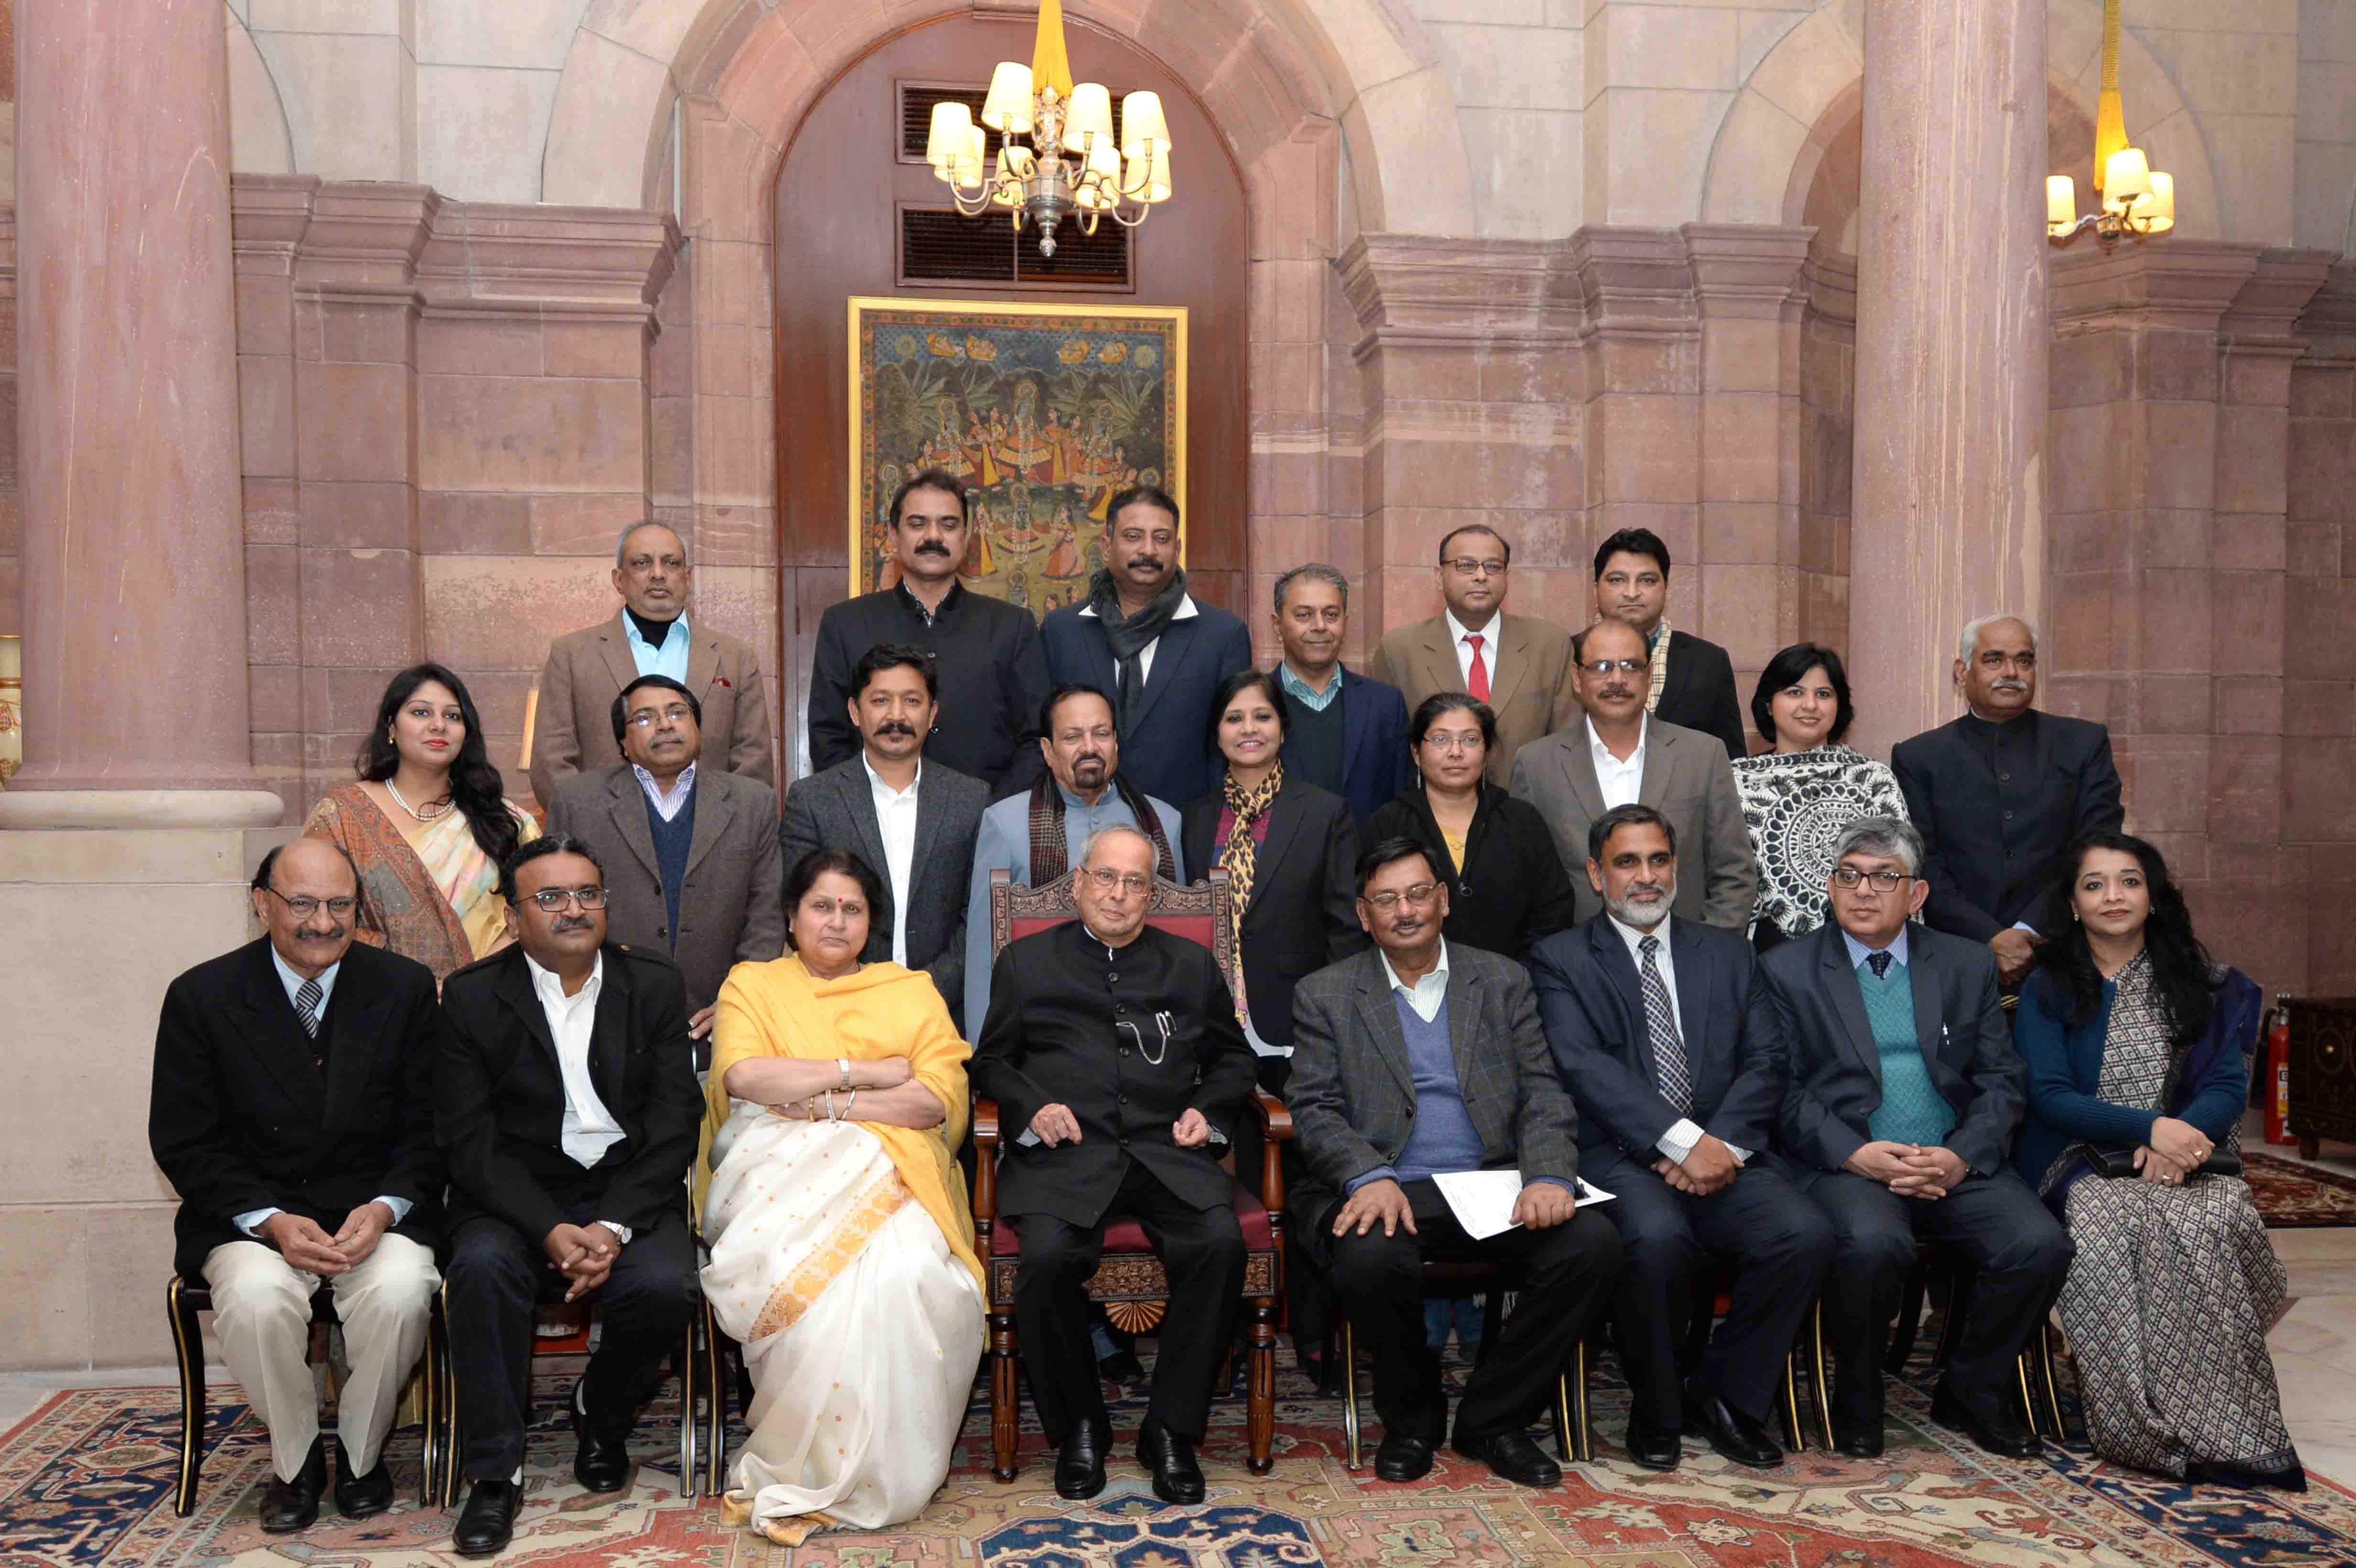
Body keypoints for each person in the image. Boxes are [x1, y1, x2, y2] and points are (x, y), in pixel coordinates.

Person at [1286, 838, 1623, 1487]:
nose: (1405, 911)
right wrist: (1368, 1176)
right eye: (1386, 900)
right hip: (1390, 1184)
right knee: (1368, 1257)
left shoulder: (1501, 980)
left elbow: (1543, 1090)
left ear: (1442, 901)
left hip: (1492, 1184)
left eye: (1417, 894)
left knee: (1594, 1246)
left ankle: (1493, 1419)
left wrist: (1549, 1174)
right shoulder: (1325, 994)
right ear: (1363, 914)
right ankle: (1412, 1421)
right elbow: (1315, 1107)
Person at [1756, 815, 2072, 1460]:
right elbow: (1780, 1090)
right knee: (1874, 1245)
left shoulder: (1962, 964)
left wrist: (1960, 1156)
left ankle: (1972, 1390)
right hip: (1850, 1160)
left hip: (1950, 1156)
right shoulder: (1786, 969)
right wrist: (1856, 1153)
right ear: (1830, 884)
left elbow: (2002, 1080)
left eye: (1883, 877)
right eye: (1850, 876)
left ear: (1917, 895)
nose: (1864, 891)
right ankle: (1860, 1393)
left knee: (2038, 1245)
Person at [1527, 806, 1833, 1471]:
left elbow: (1768, 1060)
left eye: (1658, 860)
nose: (1645, 877)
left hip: (1728, 1150)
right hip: (1624, 1156)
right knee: (1658, 1240)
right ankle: (1657, 1407)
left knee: (1802, 1232)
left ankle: (1725, 1398)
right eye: (1627, 862)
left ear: (1676, 867)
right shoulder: (1560, 959)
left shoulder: (1728, 951)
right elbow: (1583, 1066)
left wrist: (1716, 1146)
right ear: (1596, 873)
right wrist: (1677, 1142)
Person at [148, 839, 442, 1532]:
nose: (322, 922)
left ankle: (363, 1457)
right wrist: (270, 1219)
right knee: (254, 1301)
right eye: (302, 904)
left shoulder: (402, 988)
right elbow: (184, 1141)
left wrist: (387, 1205)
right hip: (251, 1217)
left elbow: (433, 1126)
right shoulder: (203, 995)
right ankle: (297, 1460)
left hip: (376, 1214)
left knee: (401, 1293)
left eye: (340, 905)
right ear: (262, 905)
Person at [700, 849, 985, 1544]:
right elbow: (746, 1077)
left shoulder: (909, 989)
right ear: (792, 919)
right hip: (773, 1175)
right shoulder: (754, 983)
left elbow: (934, 1100)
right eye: (821, 906)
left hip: (900, 1173)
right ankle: (806, 1462)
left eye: (852, 909)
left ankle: (891, 1472)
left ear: (872, 924)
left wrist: (830, 1104)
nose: (836, 921)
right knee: (800, 1286)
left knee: (912, 1275)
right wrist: (866, 1073)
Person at [971, 824, 1258, 1504]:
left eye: (1135, 883)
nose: (1119, 895)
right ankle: (1080, 1430)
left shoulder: (1189, 965)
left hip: (1167, 1154)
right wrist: (1033, 1109)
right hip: (1069, 1160)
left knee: (1218, 1244)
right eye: (1106, 877)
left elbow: (1234, 1058)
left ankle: (1171, 1431)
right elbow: (991, 1062)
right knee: (1042, 1260)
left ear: (1151, 894)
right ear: (1079, 882)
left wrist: (1210, 1113)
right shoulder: (1028, 963)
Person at [436, 837, 704, 1556]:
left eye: (587, 893)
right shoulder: (470, 998)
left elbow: (677, 1121)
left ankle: (603, 1414)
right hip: (513, 1194)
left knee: (666, 1286)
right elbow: (469, 1142)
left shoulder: (650, 983)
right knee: (483, 1270)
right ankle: (495, 1474)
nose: (574, 909)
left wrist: (613, 1225)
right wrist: (550, 1227)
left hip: (626, 1187)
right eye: (550, 897)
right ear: (513, 913)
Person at [2012, 833, 2302, 1488]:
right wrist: (2155, 1129)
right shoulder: (2049, 987)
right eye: (2094, 884)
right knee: (2111, 1226)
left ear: (2154, 896)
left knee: (2214, 1217)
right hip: (2075, 1156)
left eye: (2129, 881)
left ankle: (2226, 1425)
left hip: (2186, 1151)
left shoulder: (2198, 983)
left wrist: (2181, 1140)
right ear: (2073, 903)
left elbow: (2227, 1087)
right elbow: (2051, 1097)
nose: (2113, 896)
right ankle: (2139, 1423)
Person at [546, 674, 784, 1059]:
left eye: (678, 712)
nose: (664, 724)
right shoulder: (578, 801)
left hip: (720, 1016)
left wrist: (741, 999)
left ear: (697, 726)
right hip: (606, 1016)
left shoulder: (752, 802)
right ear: (622, 742)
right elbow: (557, 910)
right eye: (644, 718)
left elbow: (766, 914)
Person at [1892, 615, 2124, 986]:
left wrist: (2030, 929)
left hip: (2066, 953)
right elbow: (1922, 863)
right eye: (1994, 659)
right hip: (1956, 959)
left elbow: (2097, 848)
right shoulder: (1920, 757)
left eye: (2024, 660)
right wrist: (1989, 937)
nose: (2012, 672)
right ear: (1961, 671)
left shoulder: (2083, 744)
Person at [805, 468, 1051, 795]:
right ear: (893, 536)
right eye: (918, 524)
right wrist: (868, 811)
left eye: (948, 525)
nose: (933, 537)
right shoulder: (846, 624)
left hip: (987, 828)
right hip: (871, 830)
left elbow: (1037, 738)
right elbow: (828, 737)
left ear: (967, 536)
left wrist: (992, 813)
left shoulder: (1012, 626)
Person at [784, 643, 990, 1028]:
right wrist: (858, 990)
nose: (897, 716)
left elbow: (978, 916)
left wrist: (927, 988)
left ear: (932, 714)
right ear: (855, 712)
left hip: (943, 1011)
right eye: (881, 700)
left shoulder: (972, 799)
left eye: (912, 701)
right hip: (834, 1009)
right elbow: (800, 910)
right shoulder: (812, 799)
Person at [962, 683, 1186, 1031]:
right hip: (1042, 1027)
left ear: (1116, 743)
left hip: (1146, 1026)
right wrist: (984, 1054)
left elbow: (1179, 944)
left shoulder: (1164, 823)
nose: (1090, 748)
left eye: (1101, 734)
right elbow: (982, 953)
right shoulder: (1004, 823)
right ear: (1048, 751)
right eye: (1073, 737)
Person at [1179, 669, 1364, 1089]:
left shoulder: (1324, 813)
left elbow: (1347, 929)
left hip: (1297, 1020)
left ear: (1283, 729)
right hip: (1208, 1019)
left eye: (1262, 717)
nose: (1248, 729)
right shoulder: (1193, 818)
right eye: (1233, 718)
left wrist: (1329, 1017)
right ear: (1217, 733)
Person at [1511, 618, 1757, 930]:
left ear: (1649, 675)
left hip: (1686, 961)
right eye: (1601, 667)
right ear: (1577, 678)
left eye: (1630, 666)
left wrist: (1707, 956)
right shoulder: (1536, 764)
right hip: (1576, 968)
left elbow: (1735, 874)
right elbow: (1525, 884)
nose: (1617, 679)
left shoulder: (1703, 756)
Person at [304, 663, 539, 985]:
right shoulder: (341, 815)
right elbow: (313, 914)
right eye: (421, 713)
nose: (439, 726)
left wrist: (468, 985)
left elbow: (536, 914)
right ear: (391, 726)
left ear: (466, 734)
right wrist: (409, 987)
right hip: (375, 998)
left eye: (453, 716)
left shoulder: (508, 822)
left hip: (485, 997)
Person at [1039, 485, 1254, 807]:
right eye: (1134, 536)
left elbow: (1230, 748)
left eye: (1162, 539)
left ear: (1178, 548)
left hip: (1185, 829)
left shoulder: (1222, 635)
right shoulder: (1062, 631)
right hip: (1080, 824)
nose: (1149, 550)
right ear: (1107, 544)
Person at [530, 522, 774, 804]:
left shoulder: (736, 658)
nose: (658, 574)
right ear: (618, 579)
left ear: (687, 578)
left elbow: (753, 764)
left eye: (670, 563)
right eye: (642, 563)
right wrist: (592, 828)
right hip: (603, 838)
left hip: (712, 837)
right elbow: (551, 763)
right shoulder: (572, 655)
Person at [1366, 692, 1576, 959]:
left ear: (1487, 752)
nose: (1456, 752)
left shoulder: (1522, 821)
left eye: (1470, 740)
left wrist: (1520, 979)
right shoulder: (1387, 824)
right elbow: (1374, 915)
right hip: (1412, 983)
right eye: (1441, 740)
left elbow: (1553, 913)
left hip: (1513, 986)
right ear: (1416, 753)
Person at [1731, 644, 1911, 950]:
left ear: (1839, 706)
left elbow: (1901, 869)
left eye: (1824, 694)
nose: (1811, 705)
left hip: (1862, 946)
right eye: (1795, 693)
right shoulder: (1733, 780)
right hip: (1764, 951)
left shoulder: (1872, 778)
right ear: (1768, 705)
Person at [1370, 523, 1579, 785]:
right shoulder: (1399, 649)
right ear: (1438, 577)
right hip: (1429, 816)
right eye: (1466, 565)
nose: (1481, 576)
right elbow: (1385, 751)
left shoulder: (1550, 645)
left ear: (1507, 576)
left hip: (1527, 815)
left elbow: (1567, 746)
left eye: (1493, 567)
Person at [1266, 563, 1410, 827]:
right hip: (1276, 865)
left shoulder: (1386, 704)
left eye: (1331, 614)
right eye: (1304, 615)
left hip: (1365, 862)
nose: (1320, 626)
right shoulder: (1252, 704)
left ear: (1345, 622)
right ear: (1277, 625)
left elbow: (1403, 802)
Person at [1590, 527, 1749, 762]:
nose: (1632, 593)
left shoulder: (1708, 662)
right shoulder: (1566, 655)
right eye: (1617, 580)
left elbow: (1731, 763)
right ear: (1596, 590)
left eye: (1647, 580)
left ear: (1666, 589)